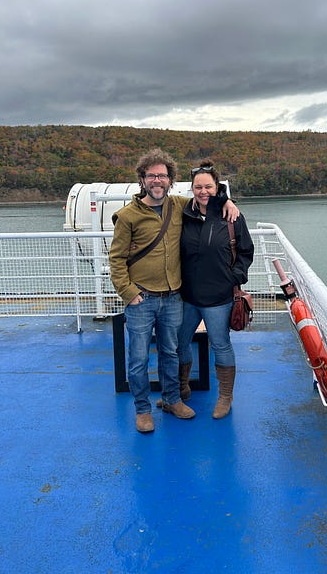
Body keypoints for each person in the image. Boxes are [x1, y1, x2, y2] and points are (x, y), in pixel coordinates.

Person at [109, 149, 238, 433]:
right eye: (152, 175)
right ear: (142, 179)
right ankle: (142, 409)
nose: (158, 181)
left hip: (173, 297)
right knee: (139, 357)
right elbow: (116, 259)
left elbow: (207, 199)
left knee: (171, 352)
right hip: (141, 298)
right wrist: (128, 292)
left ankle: (171, 399)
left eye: (163, 176)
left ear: (170, 181)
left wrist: (228, 202)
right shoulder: (128, 216)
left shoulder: (178, 206)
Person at [177, 159, 254, 419]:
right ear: (192, 189)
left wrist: (234, 277)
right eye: (198, 187)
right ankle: (182, 386)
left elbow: (245, 251)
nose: (203, 192)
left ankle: (225, 396)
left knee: (221, 345)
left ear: (217, 186)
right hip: (187, 295)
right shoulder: (183, 214)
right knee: (180, 342)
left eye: (208, 186)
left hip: (219, 297)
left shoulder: (230, 215)